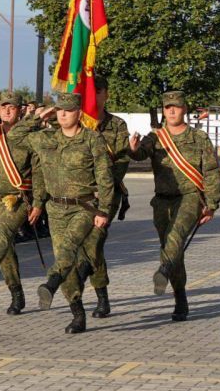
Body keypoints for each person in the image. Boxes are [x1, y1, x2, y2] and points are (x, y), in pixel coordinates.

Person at [129, 90, 220, 322]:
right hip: (162, 200)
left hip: (189, 197)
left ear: (184, 109)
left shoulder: (198, 138)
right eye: (167, 107)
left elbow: (210, 171)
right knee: (173, 250)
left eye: (176, 107)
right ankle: (180, 297)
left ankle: (162, 269)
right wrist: (132, 147)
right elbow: (140, 154)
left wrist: (211, 204)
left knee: (175, 237)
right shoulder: (156, 137)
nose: (171, 111)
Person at [28, 92, 114, 334]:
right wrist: (36, 118)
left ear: (79, 113)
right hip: (55, 209)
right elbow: (15, 136)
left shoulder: (91, 140)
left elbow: (105, 178)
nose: (63, 114)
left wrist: (104, 210)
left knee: (67, 251)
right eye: (59, 110)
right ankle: (78, 313)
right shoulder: (46, 139)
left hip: (84, 207)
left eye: (68, 110)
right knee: (67, 262)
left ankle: (51, 283)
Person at [0, 92, 54, 314]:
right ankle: (16, 293)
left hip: (18, 200)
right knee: (5, 248)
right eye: (3, 107)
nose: (6, 110)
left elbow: (39, 172)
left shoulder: (29, 137)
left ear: (20, 110)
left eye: (12, 107)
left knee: (4, 235)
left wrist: (38, 203)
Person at [87, 76, 131, 318]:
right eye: (88, 91)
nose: (93, 96)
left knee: (94, 244)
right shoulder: (77, 123)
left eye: (98, 91)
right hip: (77, 195)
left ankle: (101, 297)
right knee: (79, 248)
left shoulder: (117, 125)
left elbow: (122, 161)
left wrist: (100, 184)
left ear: (106, 94)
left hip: (106, 195)